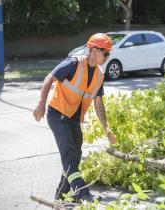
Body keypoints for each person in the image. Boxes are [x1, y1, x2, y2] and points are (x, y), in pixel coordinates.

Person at [33, 33, 116, 203]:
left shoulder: (100, 75)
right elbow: (49, 79)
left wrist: (106, 127)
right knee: (69, 155)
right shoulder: (74, 63)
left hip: (73, 119)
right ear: (93, 50)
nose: (107, 57)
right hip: (57, 115)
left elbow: (98, 103)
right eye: (105, 53)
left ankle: (62, 196)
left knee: (75, 156)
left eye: (109, 53)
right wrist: (41, 103)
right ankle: (82, 194)